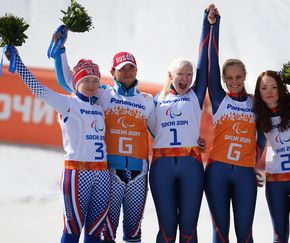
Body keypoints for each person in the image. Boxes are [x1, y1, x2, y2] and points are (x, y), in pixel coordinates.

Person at [52, 31, 155, 242]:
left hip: (139, 173)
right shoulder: (103, 93)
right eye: (122, 68)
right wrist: (60, 51)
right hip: (110, 173)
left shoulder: (147, 100)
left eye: (131, 67)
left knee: (134, 233)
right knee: (106, 233)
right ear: (113, 72)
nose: (127, 72)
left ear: (136, 70)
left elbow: (160, 131)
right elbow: (70, 82)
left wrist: (193, 141)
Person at [6, 47, 111, 243]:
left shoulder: (100, 104)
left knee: (96, 233)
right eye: (86, 80)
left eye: (95, 80)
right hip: (77, 174)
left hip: (102, 174)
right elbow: (38, 89)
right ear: (77, 82)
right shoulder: (67, 103)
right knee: (72, 231)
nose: (91, 84)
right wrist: (18, 63)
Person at [146, 5, 218, 242]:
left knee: (188, 229)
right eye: (181, 74)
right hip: (161, 167)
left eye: (189, 75)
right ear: (170, 75)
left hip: (191, 165)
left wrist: (210, 24)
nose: (186, 79)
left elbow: (204, 62)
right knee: (166, 229)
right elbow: (150, 127)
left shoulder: (195, 95)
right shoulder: (155, 100)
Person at [205, 8, 266, 242]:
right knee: (220, 234)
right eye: (229, 78)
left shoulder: (255, 102)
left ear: (245, 76)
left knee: (245, 235)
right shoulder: (220, 98)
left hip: (244, 174)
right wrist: (213, 25)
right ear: (223, 80)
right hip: (217, 171)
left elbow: (261, 137)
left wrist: (253, 161)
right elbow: (211, 61)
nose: (234, 82)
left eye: (238, 77)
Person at [253, 70, 290, 243]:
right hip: (275, 182)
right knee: (279, 237)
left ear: (281, 88)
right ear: (259, 91)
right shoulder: (260, 115)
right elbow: (259, 145)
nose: (269, 91)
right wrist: (250, 167)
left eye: (273, 86)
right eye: (264, 88)